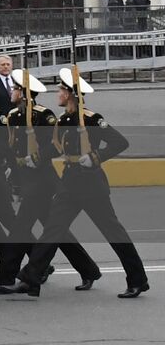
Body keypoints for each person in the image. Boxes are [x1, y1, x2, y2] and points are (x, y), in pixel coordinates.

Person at [15, 68, 149, 299]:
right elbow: (57, 147)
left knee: (113, 232)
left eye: (61, 90)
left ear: (70, 95)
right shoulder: (65, 119)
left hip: (91, 184)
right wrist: (34, 156)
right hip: (69, 183)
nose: (57, 93)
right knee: (52, 231)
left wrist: (96, 157)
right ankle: (31, 279)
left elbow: (120, 142)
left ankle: (138, 280)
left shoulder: (91, 119)